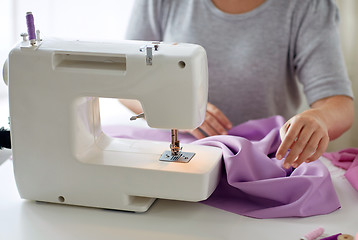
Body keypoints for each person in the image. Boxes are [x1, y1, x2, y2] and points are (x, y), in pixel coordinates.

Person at [122, 0, 354, 169]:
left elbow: (338, 104)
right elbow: (126, 82)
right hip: (176, 154)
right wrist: (173, 108)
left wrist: (319, 119)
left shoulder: (309, 7)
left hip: (262, 161)